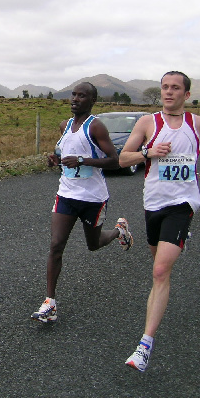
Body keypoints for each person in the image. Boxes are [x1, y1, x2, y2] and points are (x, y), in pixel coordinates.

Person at [119, 71, 200, 372]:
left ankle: (144, 346)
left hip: (183, 203)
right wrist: (148, 152)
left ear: (186, 95)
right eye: (165, 87)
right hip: (153, 204)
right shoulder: (147, 123)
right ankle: (178, 239)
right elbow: (123, 158)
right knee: (157, 266)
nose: (168, 92)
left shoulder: (199, 123)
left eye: (175, 88)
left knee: (161, 270)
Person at [31, 82, 133, 323]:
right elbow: (65, 156)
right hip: (66, 194)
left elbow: (114, 161)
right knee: (56, 245)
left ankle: (119, 231)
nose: (75, 99)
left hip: (92, 198)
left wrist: (83, 160)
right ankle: (50, 304)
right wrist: (55, 160)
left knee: (94, 244)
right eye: (74, 95)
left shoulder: (95, 126)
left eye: (82, 96)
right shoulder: (66, 126)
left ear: (92, 101)